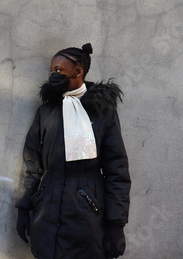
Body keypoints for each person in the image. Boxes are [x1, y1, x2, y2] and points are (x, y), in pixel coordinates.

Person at [15, 43, 131, 259]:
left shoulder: (102, 112)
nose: (53, 75)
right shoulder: (46, 112)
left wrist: (116, 224)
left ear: (78, 71)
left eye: (59, 71)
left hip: (86, 215)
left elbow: (117, 171)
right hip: (46, 212)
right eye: (52, 70)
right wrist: (23, 208)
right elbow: (32, 164)